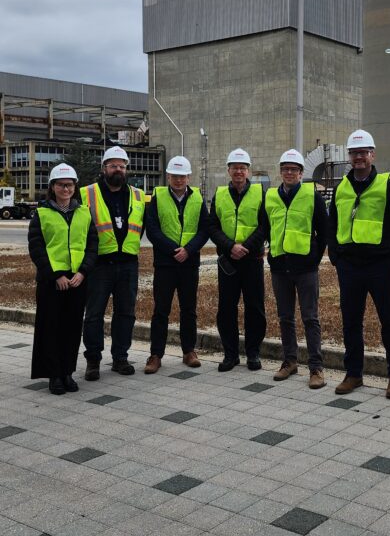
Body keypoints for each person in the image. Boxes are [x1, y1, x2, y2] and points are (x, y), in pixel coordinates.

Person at [328, 129, 390, 399]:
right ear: (349, 156)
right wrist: (336, 256)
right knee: (351, 322)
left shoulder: (387, 185)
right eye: (354, 153)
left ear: (372, 155)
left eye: (363, 152)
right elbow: (333, 224)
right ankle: (353, 374)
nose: (359, 157)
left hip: (380, 266)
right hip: (349, 266)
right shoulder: (341, 187)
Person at [28, 163, 98, 394]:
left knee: (71, 328)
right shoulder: (42, 213)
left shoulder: (84, 212)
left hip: (77, 280)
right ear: (52, 187)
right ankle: (54, 375)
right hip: (51, 281)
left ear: (75, 187)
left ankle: (68, 372)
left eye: (69, 185)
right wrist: (56, 275)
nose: (65, 189)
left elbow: (91, 246)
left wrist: (83, 272)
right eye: (61, 185)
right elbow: (37, 248)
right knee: (50, 328)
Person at [81, 145, 146, 380]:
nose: (117, 169)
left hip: (128, 263)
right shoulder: (87, 193)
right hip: (99, 264)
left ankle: (120, 358)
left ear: (126, 169)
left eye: (122, 166)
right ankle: (93, 361)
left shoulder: (138, 195)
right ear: (104, 168)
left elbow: (141, 226)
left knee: (126, 313)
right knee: (94, 314)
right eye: (113, 165)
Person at [265, 149, 328, 389]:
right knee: (285, 317)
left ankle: (316, 367)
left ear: (301, 173)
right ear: (281, 172)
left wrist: (313, 259)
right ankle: (289, 361)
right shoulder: (271, 196)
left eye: (294, 169)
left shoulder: (313, 196)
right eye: (285, 169)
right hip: (280, 266)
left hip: (305, 268)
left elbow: (324, 232)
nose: (289, 173)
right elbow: (265, 226)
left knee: (310, 318)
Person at [144, 156, 210, 374]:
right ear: (168, 176)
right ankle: (155, 354)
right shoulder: (158, 197)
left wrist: (188, 250)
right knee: (161, 310)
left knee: (188, 310)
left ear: (189, 177)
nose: (179, 180)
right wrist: (174, 250)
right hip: (165, 263)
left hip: (189, 263)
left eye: (182, 176)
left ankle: (189, 351)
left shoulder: (198, 198)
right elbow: (152, 229)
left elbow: (204, 229)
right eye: (175, 176)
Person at [208, 148, 267, 372]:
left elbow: (264, 226)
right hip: (228, 260)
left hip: (252, 259)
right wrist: (230, 246)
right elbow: (212, 225)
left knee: (255, 307)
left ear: (248, 170)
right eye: (235, 168)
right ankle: (230, 354)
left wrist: (246, 247)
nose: (239, 172)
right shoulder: (220, 194)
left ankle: (253, 353)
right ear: (229, 170)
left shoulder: (260, 193)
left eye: (242, 168)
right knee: (226, 308)